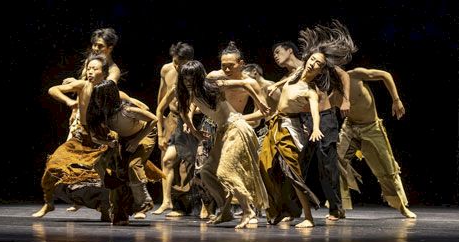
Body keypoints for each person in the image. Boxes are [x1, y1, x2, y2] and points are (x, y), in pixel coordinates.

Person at [259, 19, 357, 228]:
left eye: (278, 52)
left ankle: (335, 208)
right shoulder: (295, 73)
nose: (275, 57)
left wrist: (346, 100)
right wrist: (275, 86)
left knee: (325, 161)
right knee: (296, 163)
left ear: (290, 51)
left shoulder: (318, 65)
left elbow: (344, 75)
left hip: (323, 117)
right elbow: (291, 81)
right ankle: (292, 210)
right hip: (299, 120)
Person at [177, 60, 270, 229]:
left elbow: (246, 83)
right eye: (185, 78)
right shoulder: (188, 94)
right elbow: (183, 112)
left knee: (225, 171)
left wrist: (260, 102)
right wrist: (194, 130)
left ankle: (248, 211)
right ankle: (224, 209)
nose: (188, 81)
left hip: (237, 127)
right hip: (222, 131)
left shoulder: (214, 85)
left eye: (191, 78)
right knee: (207, 172)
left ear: (198, 77)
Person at [33, 54, 114, 219]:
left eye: (95, 69)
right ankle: (49, 203)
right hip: (80, 139)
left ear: (104, 73)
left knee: (104, 177)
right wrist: (69, 102)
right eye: (88, 68)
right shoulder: (83, 85)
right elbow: (53, 89)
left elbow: (129, 103)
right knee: (53, 165)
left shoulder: (110, 91)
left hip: (101, 141)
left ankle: (106, 208)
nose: (90, 72)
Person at [337, 67, 416, 218]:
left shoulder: (356, 74)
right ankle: (338, 206)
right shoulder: (332, 88)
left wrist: (396, 100)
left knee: (387, 167)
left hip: (371, 128)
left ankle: (401, 206)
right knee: (337, 161)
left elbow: (385, 75)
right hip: (350, 128)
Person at [86, 79, 160, 224]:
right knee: (111, 170)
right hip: (124, 139)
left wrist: (136, 140)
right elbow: (94, 137)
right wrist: (107, 142)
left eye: (100, 98)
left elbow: (153, 119)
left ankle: (143, 203)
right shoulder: (101, 113)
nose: (97, 101)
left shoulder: (127, 110)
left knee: (133, 165)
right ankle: (120, 212)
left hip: (144, 135)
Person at [154, 42, 199, 217]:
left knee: (186, 163)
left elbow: (196, 100)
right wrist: (161, 127)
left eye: (180, 63)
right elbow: (161, 98)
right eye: (175, 62)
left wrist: (190, 121)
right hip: (172, 118)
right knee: (166, 159)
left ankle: (186, 204)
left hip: (189, 119)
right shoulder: (167, 69)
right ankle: (167, 201)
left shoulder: (194, 73)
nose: (177, 66)